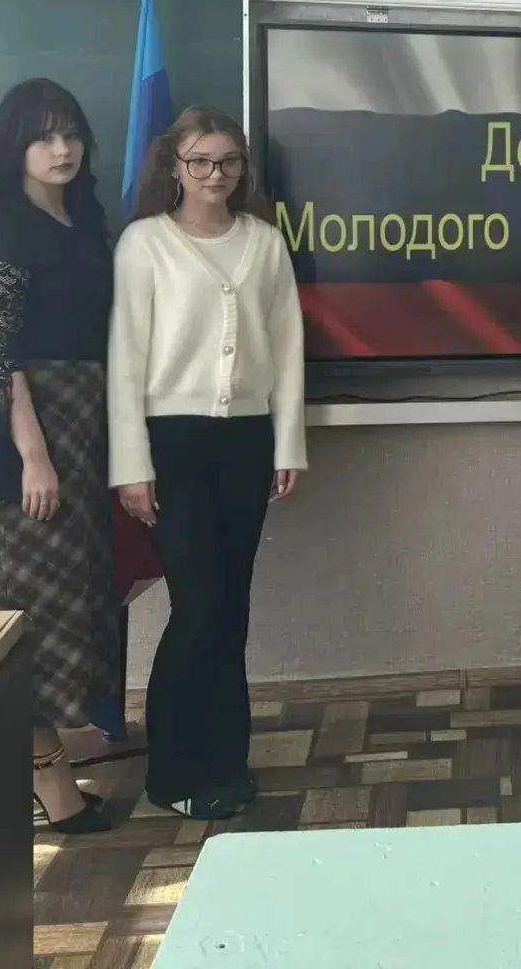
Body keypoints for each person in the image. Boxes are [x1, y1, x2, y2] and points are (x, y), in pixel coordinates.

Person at [109, 108, 307, 821]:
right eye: (199, 161)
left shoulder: (264, 243)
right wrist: (131, 465)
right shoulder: (144, 243)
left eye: (227, 161)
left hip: (246, 442)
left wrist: (287, 445)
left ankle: (226, 761)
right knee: (196, 607)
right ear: (174, 166)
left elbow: (287, 348)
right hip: (172, 445)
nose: (214, 174)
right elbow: (125, 359)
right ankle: (175, 772)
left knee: (231, 607)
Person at [0, 80, 118, 835]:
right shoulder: (6, 223)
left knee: (75, 601)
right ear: (15, 146)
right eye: (43, 136)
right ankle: (50, 792)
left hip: (88, 424)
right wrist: (34, 454)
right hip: (31, 428)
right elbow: (0, 353)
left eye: (71, 134)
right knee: (27, 608)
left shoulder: (86, 218)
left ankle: (53, 767)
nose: (62, 150)